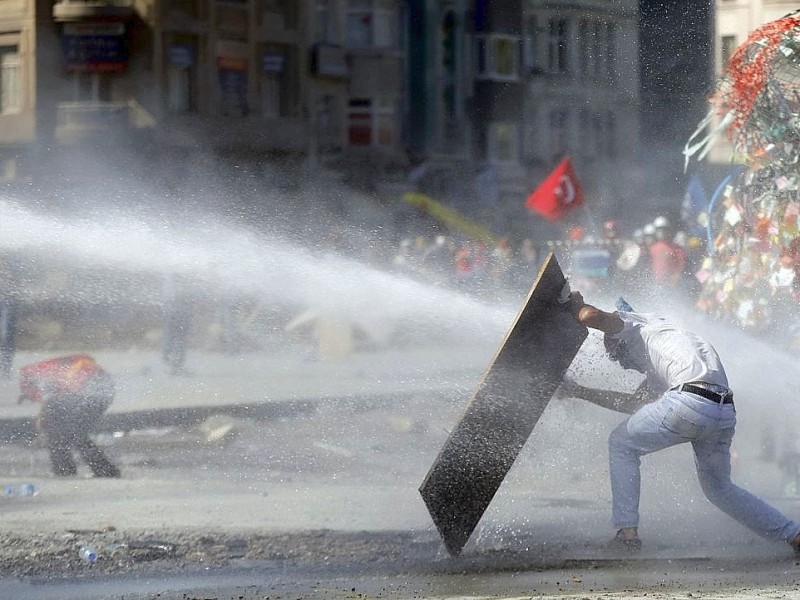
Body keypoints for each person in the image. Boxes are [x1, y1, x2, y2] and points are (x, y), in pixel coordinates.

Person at [561, 291, 800, 553]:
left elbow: (590, 316)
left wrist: (574, 304)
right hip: (722, 411)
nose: (621, 364)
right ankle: (794, 535)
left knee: (621, 444)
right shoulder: (673, 345)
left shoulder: (633, 325)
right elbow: (631, 404)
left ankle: (627, 534)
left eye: (616, 353)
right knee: (719, 488)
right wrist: (579, 391)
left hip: (689, 401)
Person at [17, 354, 120, 478]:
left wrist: (43, 415)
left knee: (62, 432)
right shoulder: (55, 369)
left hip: (87, 386)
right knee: (74, 433)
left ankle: (65, 470)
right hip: (103, 390)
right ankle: (100, 470)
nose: (36, 399)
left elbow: (51, 399)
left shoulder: (32, 374)